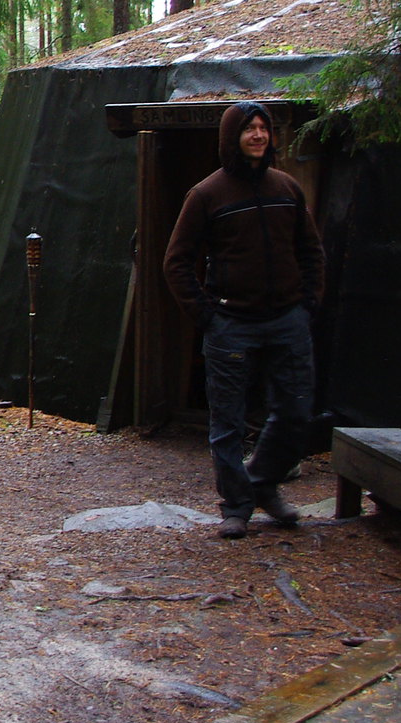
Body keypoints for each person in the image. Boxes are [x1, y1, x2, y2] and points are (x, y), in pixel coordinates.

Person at [162, 100, 325, 539]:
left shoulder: (286, 188)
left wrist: (307, 302)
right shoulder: (207, 194)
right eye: (248, 129)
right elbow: (176, 262)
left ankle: (262, 483)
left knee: (295, 410)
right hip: (231, 321)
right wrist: (207, 316)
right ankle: (236, 505)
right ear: (231, 137)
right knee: (228, 422)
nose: (257, 135)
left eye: (263, 128)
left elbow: (311, 251)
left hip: (287, 319)